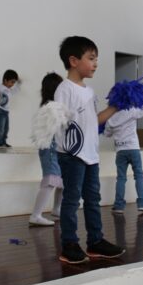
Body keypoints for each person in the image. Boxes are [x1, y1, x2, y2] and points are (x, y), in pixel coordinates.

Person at [55, 36, 125, 264]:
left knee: (93, 199)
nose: (96, 63)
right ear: (73, 61)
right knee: (72, 199)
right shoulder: (64, 89)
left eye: (96, 59)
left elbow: (94, 121)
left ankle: (95, 241)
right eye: (91, 58)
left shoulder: (89, 91)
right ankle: (69, 244)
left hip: (90, 155)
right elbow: (60, 121)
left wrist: (116, 107)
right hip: (72, 155)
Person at [104, 95, 143, 215]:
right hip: (133, 148)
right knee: (139, 176)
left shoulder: (111, 117)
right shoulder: (132, 110)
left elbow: (107, 134)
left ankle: (118, 206)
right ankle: (142, 204)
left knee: (121, 178)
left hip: (120, 150)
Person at [29, 72, 65, 226]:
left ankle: (57, 208)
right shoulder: (51, 108)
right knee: (50, 181)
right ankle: (36, 215)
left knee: (62, 181)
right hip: (50, 149)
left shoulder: (52, 106)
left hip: (57, 149)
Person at [0, 69, 20, 148]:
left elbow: (15, 90)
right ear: (5, 80)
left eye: (14, 83)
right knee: (1, 128)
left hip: (5, 111)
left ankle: (3, 142)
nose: (12, 84)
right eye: (12, 82)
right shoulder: (0, 88)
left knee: (6, 128)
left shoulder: (9, 89)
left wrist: (19, 84)